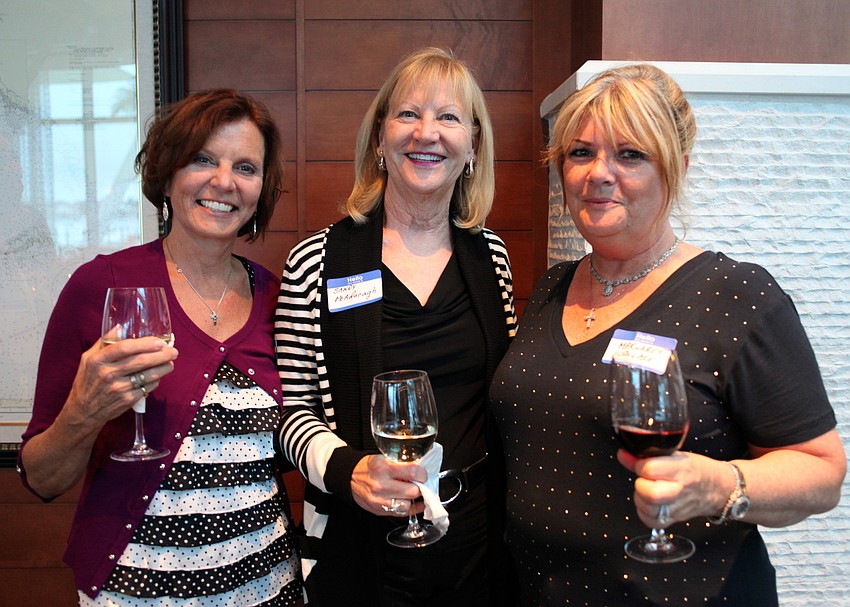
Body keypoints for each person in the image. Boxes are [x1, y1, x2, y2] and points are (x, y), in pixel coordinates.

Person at [489, 63, 846, 606]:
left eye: (630, 154)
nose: (598, 174)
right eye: (580, 153)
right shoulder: (553, 287)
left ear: (676, 167)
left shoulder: (737, 295)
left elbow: (821, 473)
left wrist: (720, 485)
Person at [18, 89, 302, 606]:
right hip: (140, 591)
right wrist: (84, 412)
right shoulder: (102, 286)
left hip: (265, 583)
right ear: (168, 174)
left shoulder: (276, 297)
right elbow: (41, 478)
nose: (224, 182)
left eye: (245, 167)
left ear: (261, 189)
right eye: (203, 160)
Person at [275, 48, 517, 606]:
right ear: (380, 139)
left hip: (477, 539)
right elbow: (288, 411)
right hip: (360, 539)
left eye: (449, 117)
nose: (426, 133)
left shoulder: (492, 259)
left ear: (472, 146)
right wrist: (349, 471)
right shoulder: (317, 261)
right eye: (408, 114)